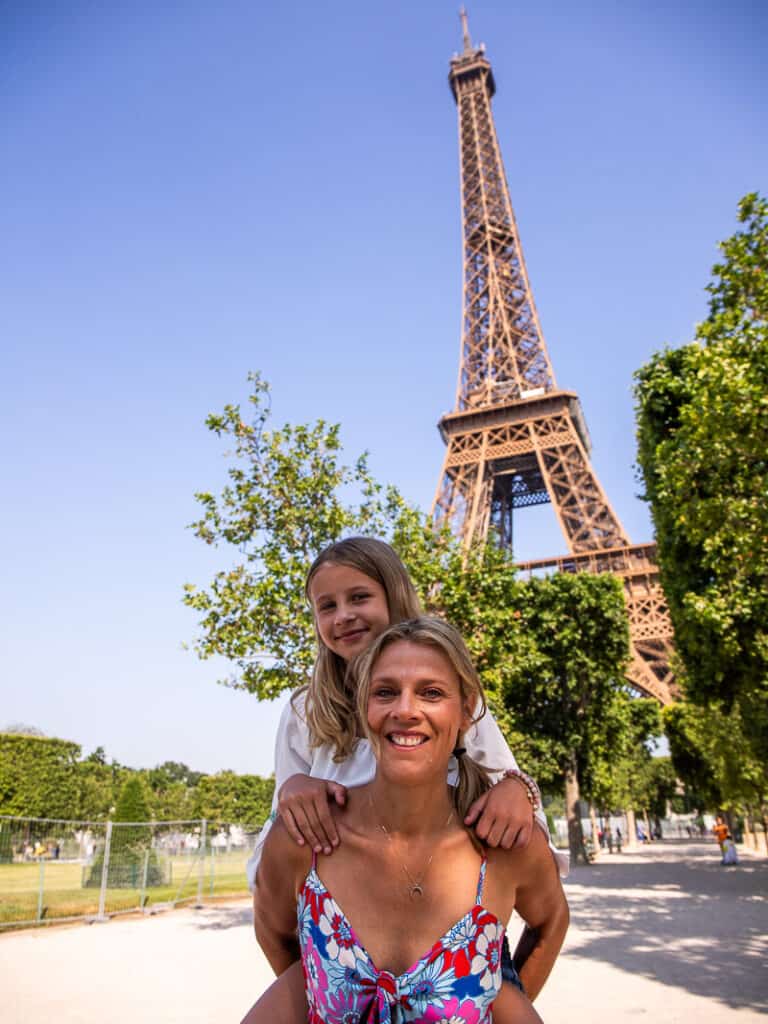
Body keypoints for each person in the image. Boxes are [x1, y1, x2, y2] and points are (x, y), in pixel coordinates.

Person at [247, 538, 568, 987]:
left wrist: (519, 788)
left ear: (395, 597)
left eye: (359, 597)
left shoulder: (458, 702)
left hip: (455, 948)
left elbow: (506, 789)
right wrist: (292, 791)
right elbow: (279, 860)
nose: (343, 615)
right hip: (345, 950)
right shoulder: (305, 711)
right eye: (327, 606)